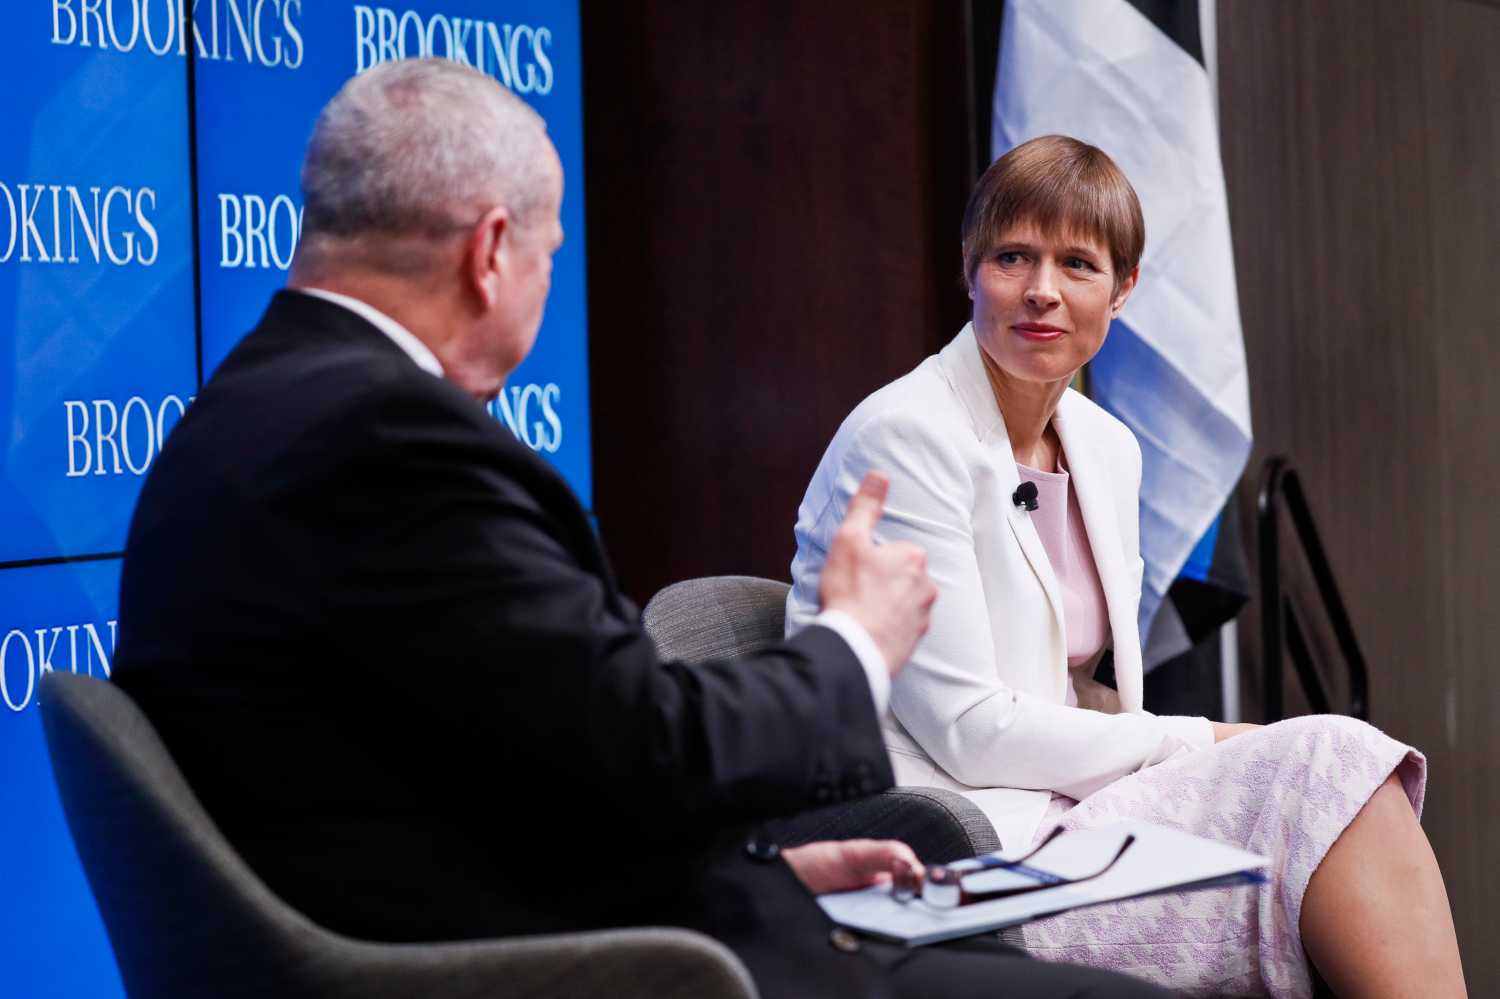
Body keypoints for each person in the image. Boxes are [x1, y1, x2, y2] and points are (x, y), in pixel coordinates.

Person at [110, 62, 1172, 999]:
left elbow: (514, 759)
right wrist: (855, 638)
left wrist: (770, 873)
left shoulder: (247, 410)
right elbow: (652, 744)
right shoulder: (397, 445)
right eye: (549, 253)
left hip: (516, 918)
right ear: (492, 252)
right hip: (544, 965)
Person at [787, 135, 1467, 998]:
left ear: (1124, 289)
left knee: (1335, 783)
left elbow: (1094, 694)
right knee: (1326, 762)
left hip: (1079, 814)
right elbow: (969, 731)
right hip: (948, 850)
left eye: (1077, 263)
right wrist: (1203, 740)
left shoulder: (1107, 446)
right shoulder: (905, 436)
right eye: (1012, 257)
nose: (1042, 289)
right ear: (969, 269)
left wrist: (1189, 754)